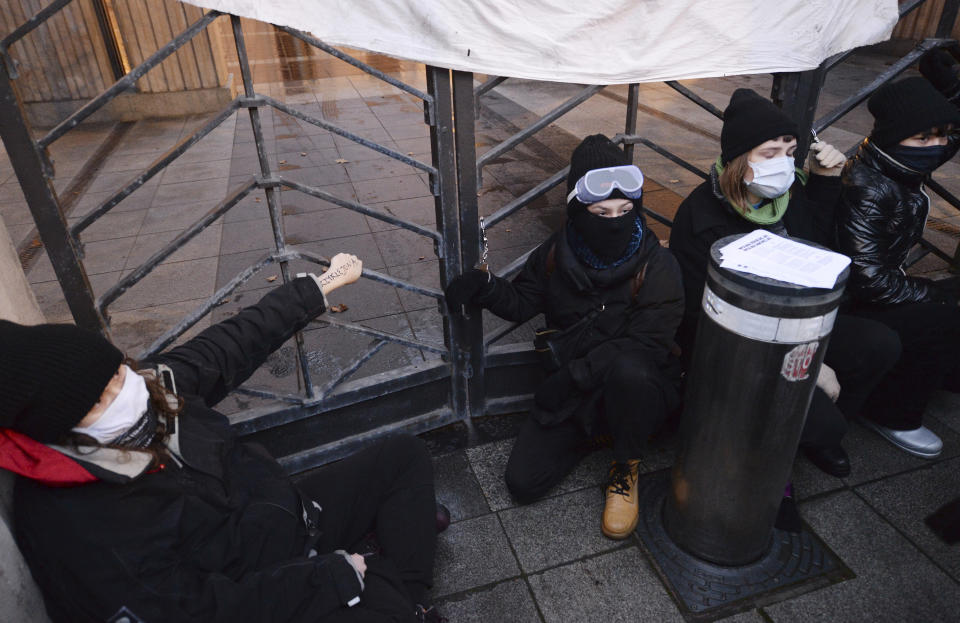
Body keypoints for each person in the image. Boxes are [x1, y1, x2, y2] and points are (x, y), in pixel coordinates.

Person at [0, 253, 445, 623]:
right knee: (382, 606)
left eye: (117, 372)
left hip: (287, 519)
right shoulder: (79, 525)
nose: (126, 393)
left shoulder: (152, 386)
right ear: (61, 430)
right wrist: (331, 578)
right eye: (101, 399)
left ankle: (409, 597)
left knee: (403, 456)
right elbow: (194, 613)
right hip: (251, 589)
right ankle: (391, 592)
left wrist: (319, 286)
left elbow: (228, 344)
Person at [445, 134, 684, 540]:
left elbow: (648, 345)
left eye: (625, 210)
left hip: (633, 386)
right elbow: (523, 301)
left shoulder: (658, 264)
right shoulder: (557, 252)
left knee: (630, 371)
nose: (615, 221)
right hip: (577, 392)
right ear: (578, 210)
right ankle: (596, 430)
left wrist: (573, 376)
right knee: (524, 483)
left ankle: (626, 462)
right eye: (601, 211)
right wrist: (483, 287)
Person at [669, 88, 901, 483]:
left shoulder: (788, 195)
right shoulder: (701, 217)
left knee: (880, 344)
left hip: (800, 318)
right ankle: (774, 458)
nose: (784, 164)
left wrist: (826, 182)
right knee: (822, 422)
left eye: (790, 151)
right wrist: (808, 363)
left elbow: (817, 251)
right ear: (739, 160)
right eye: (769, 153)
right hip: (739, 343)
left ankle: (812, 431)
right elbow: (701, 314)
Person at [836, 76, 960, 459]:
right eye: (924, 138)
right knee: (941, 314)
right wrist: (930, 293)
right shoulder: (869, 187)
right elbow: (868, 280)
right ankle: (893, 414)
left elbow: (942, 139)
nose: (937, 146)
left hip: (888, 284)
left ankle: (942, 376)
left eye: (942, 135)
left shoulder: (899, 161)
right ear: (895, 137)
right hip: (855, 302)